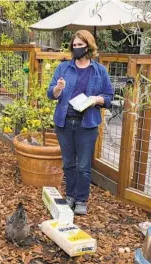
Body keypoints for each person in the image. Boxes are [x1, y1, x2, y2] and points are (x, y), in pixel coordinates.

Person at [47, 30, 114, 215]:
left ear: (88, 47)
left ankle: (82, 200)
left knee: (84, 165)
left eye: (80, 45)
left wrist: (96, 99)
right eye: (74, 45)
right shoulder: (63, 68)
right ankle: (70, 196)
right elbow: (50, 93)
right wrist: (58, 89)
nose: (77, 48)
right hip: (65, 122)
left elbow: (109, 97)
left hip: (87, 124)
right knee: (68, 163)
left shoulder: (99, 70)